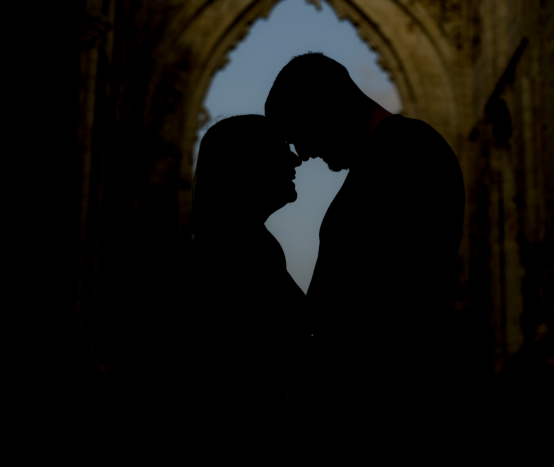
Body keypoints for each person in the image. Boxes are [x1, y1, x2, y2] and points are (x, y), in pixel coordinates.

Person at [265, 53, 466, 459]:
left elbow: (395, 306)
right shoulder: (387, 158)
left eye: (296, 133)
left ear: (321, 99)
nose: (300, 154)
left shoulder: (408, 154)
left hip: (387, 425)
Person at [187, 115, 308, 454]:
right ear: (249, 163)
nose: (295, 158)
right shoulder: (237, 252)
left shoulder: (238, 245)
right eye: (282, 148)